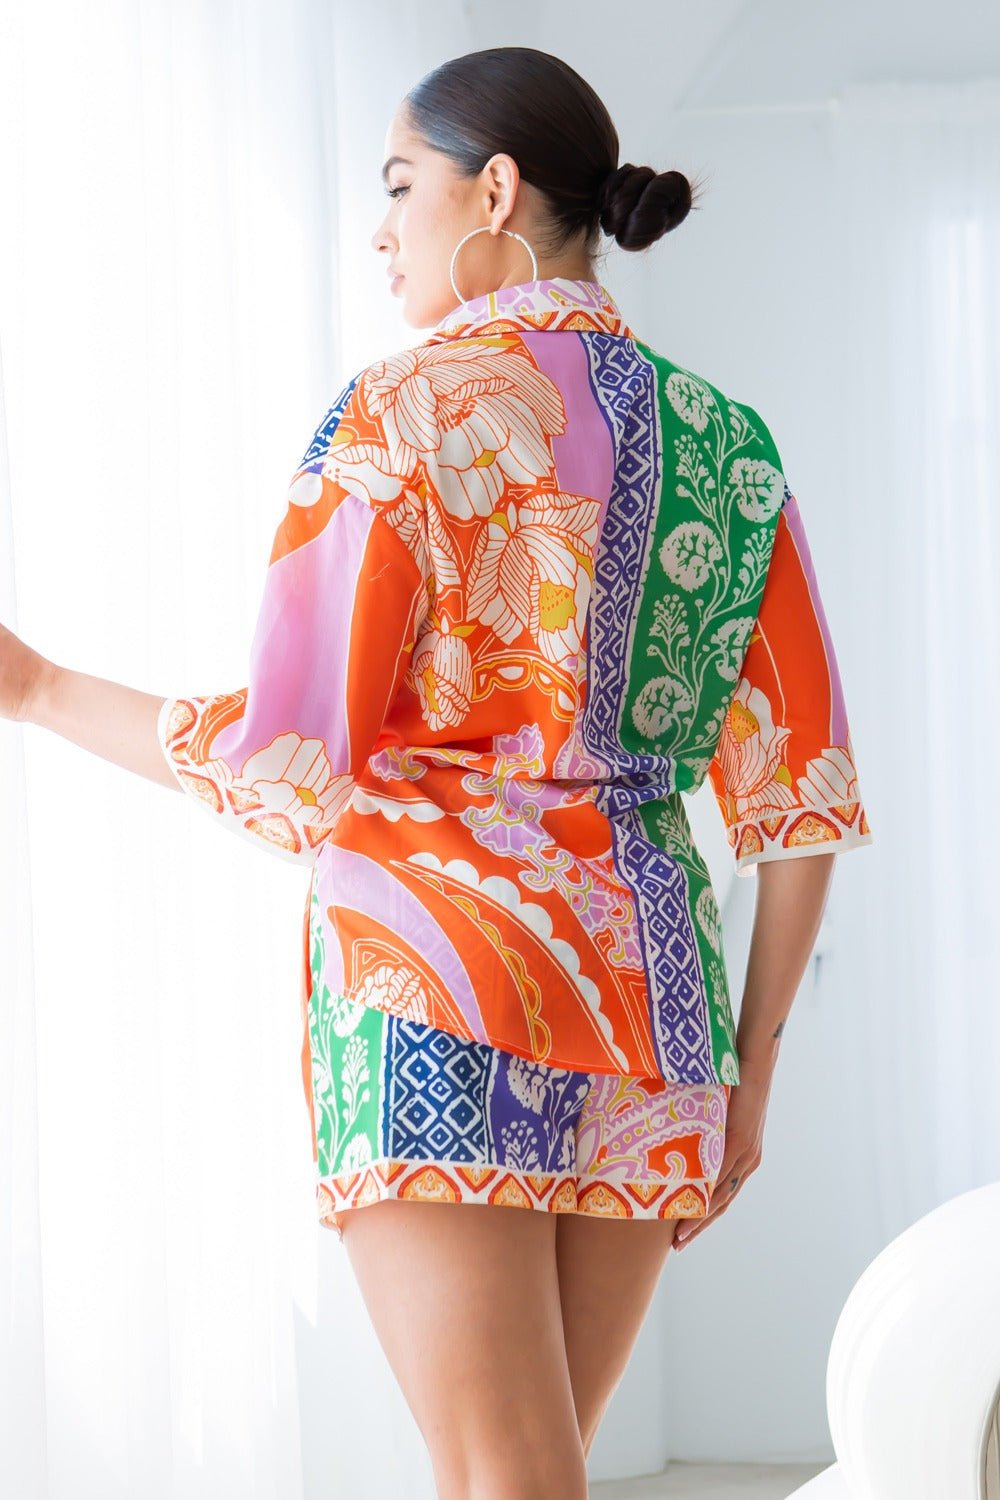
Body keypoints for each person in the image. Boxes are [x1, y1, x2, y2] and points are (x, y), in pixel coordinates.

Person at [0, 45, 873, 1500]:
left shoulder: (402, 414)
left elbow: (288, 759)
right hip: (656, 1006)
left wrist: (37, 691)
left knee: (503, 1479)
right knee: (530, 1473)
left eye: (400, 186)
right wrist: (749, 1081)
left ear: (497, 190)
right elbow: (801, 800)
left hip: (440, 984)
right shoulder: (730, 444)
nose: (381, 230)